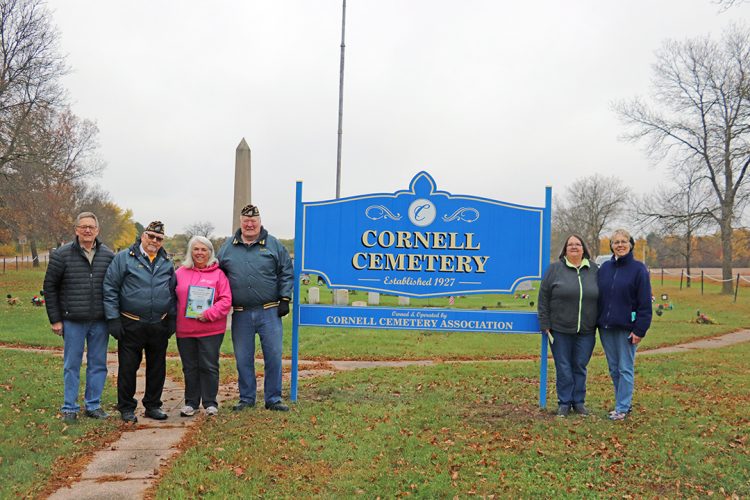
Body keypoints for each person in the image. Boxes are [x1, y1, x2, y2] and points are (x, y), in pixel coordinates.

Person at [218, 204, 294, 412]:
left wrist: (285, 297)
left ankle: (273, 398)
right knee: (243, 358)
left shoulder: (274, 245)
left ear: (260, 222)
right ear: (240, 222)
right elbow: (216, 275)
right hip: (241, 313)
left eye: (254, 221)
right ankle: (246, 398)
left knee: (273, 356)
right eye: (246, 221)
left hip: (269, 310)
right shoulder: (227, 247)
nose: (250, 224)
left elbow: (286, 271)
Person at [43, 212, 115, 422]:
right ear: (76, 230)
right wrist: (55, 319)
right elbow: (50, 287)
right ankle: (70, 407)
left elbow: (114, 288)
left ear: (97, 230)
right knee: (71, 364)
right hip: (72, 320)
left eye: (91, 227)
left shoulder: (108, 256)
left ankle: (93, 405)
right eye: (83, 226)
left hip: (99, 321)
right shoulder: (62, 255)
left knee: (98, 364)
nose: (87, 230)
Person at [103, 221, 177, 423]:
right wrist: (113, 318)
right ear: (142, 236)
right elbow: (110, 289)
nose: (154, 241)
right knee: (128, 368)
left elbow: (172, 292)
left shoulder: (166, 262)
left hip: (158, 324)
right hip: (131, 323)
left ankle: (153, 405)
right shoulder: (124, 258)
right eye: (151, 236)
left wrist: (172, 318)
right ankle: (126, 407)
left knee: (157, 367)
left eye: (159, 238)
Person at [538, 234, 599, 417]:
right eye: (570, 244)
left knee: (580, 365)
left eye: (577, 244)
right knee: (563, 366)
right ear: (565, 249)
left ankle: (578, 402)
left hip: (586, 329)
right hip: (560, 329)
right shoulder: (555, 269)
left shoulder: (595, 270)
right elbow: (543, 297)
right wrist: (545, 322)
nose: (574, 247)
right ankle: (564, 403)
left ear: (583, 249)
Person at [597, 229, 652, 421]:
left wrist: (640, 329)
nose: (620, 245)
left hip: (627, 329)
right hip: (605, 327)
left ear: (630, 245)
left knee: (625, 368)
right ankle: (622, 403)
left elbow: (645, 304)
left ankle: (622, 407)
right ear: (611, 245)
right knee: (613, 368)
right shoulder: (604, 268)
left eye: (624, 241)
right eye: (616, 242)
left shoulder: (638, 269)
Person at [175, 236, 232, 417]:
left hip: (211, 329)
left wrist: (209, 314)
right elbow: (170, 296)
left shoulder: (218, 274)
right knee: (189, 367)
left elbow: (226, 300)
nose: (199, 253)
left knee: (209, 366)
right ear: (191, 252)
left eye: (204, 249)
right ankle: (191, 402)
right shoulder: (180, 273)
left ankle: (210, 402)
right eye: (196, 249)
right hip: (185, 329)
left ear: (210, 252)